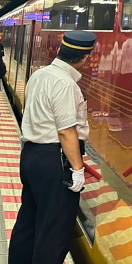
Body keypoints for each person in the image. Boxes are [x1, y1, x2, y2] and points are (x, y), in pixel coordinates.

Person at [8, 30, 97, 264]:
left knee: (28, 221)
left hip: (32, 156)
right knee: (54, 231)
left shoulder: (39, 75)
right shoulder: (65, 84)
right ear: (85, 58)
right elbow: (66, 131)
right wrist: (77, 169)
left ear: (60, 50)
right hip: (55, 161)